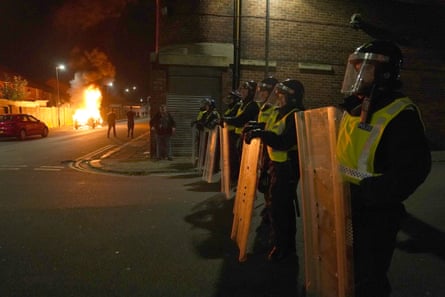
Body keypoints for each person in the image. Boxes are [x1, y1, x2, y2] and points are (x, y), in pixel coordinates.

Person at [336, 40, 431, 297]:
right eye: (356, 68)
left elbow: (413, 169)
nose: (358, 74)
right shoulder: (354, 108)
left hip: (375, 214)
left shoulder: (400, 113)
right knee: (345, 269)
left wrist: (371, 192)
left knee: (368, 279)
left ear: (385, 73)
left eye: (365, 68)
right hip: (345, 205)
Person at [245, 78, 305, 261]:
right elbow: (270, 129)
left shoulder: (296, 115)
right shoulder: (280, 113)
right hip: (276, 165)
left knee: (281, 209)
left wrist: (261, 134)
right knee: (277, 207)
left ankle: (284, 247)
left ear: (292, 98)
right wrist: (256, 127)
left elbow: (284, 142)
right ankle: (281, 244)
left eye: (282, 95)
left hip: (287, 168)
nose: (278, 98)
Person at [223, 80, 260, 182]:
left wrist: (225, 120)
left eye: (245, 90)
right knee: (238, 162)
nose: (242, 92)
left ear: (251, 92)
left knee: (246, 164)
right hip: (240, 136)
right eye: (242, 90)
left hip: (248, 139)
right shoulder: (243, 105)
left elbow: (240, 120)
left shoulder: (252, 105)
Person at [222, 90, 242, 184]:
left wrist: (224, 119)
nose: (229, 100)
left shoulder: (237, 106)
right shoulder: (231, 107)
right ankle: (231, 175)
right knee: (230, 155)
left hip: (234, 133)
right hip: (230, 132)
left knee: (234, 156)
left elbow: (230, 117)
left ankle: (234, 177)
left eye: (231, 98)